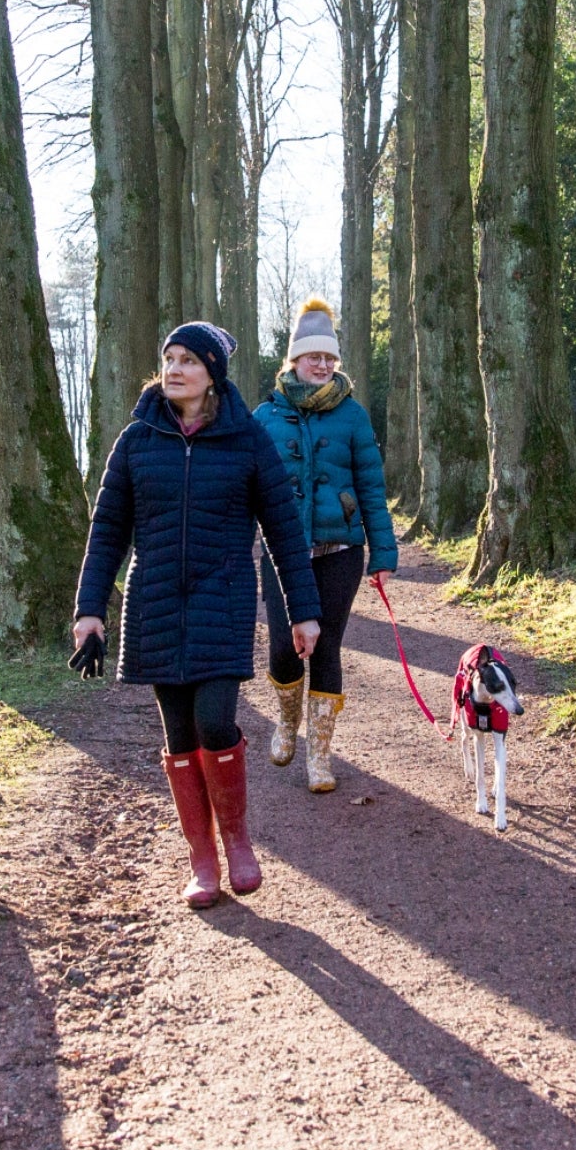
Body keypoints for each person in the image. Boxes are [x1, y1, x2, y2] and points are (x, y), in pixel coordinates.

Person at [73, 321, 323, 908]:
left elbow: (285, 532)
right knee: (179, 733)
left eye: (189, 359)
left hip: (223, 598)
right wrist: (89, 609)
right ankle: (201, 857)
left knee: (215, 722)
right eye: (169, 357)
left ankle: (237, 840)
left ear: (213, 373)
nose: (176, 368)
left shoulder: (247, 441)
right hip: (155, 601)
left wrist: (303, 612)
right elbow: (107, 530)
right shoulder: (136, 441)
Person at [253, 297, 399, 792]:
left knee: (328, 647)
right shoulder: (265, 417)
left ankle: (319, 756)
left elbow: (372, 489)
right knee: (283, 646)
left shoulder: (353, 415)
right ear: (294, 359)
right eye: (313, 356)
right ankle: (285, 721)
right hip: (281, 552)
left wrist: (382, 554)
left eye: (329, 358)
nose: (321, 364)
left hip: (341, 550)